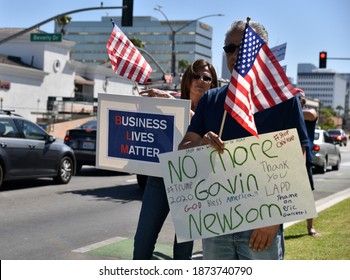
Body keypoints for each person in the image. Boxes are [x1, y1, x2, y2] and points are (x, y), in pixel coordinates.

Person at [178, 20, 309, 260]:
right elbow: (183, 149)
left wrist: (274, 219)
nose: (236, 53)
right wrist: (201, 144)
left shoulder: (283, 101)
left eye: (244, 46)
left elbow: (297, 159)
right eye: (230, 48)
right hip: (216, 222)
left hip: (263, 223)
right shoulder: (211, 100)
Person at [133, 59, 219, 260]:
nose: (200, 80)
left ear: (213, 84)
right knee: (142, 244)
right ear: (188, 80)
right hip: (160, 179)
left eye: (206, 78)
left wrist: (171, 103)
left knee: (183, 253)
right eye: (196, 75)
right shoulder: (169, 102)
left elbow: (206, 133)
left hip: (194, 186)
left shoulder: (216, 111)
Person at [297, 88, 320, 237]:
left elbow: (312, 114)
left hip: (305, 160)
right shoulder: (287, 115)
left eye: (300, 100)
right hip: (287, 158)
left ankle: (310, 227)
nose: (299, 102)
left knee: (308, 196)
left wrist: (294, 109)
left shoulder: (307, 114)